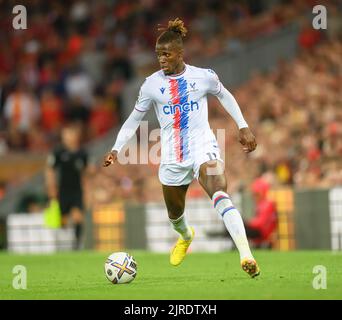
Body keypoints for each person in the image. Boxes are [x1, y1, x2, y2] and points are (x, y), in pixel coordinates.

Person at [103, 18, 260, 277]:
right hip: (172, 155)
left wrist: (243, 125)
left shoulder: (204, 76)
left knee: (218, 188)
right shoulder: (151, 85)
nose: (161, 59)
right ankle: (186, 236)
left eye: (166, 54)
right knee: (175, 214)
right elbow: (134, 118)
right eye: (158, 55)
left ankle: (246, 254)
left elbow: (225, 94)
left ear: (180, 53)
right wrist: (117, 149)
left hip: (203, 146)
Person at [45, 123, 88, 249]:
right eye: (65, 135)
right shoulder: (58, 152)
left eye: (70, 134)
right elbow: (50, 169)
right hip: (62, 190)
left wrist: (87, 190)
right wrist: (51, 186)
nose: (67, 137)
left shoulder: (82, 153)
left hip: (76, 190)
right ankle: (62, 244)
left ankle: (77, 245)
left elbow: (86, 173)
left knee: (78, 217)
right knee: (62, 220)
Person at [245, 178, 277, 248]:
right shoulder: (261, 204)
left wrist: (248, 222)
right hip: (261, 230)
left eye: (256, 194)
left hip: (262, 232)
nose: (254, 197)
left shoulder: (267, 204)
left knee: (241, 228)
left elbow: (261, 222)